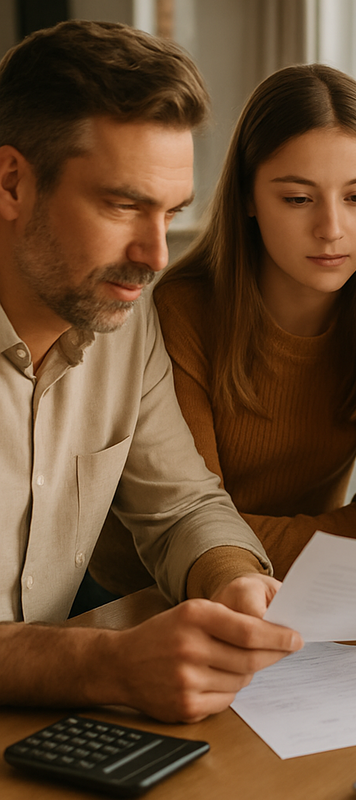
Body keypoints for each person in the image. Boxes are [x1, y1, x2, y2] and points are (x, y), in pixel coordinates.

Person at [0, 19, 301, 724]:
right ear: (11, 181)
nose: (157, 253)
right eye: (124, 204)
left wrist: (232, 584)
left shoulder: (121, 327)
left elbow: (183, 508)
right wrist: (108, 663)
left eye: (170, 213)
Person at [88, 63, 356, 594]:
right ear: (249, 197)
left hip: (303, 589)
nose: (331, 229)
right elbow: (188, 525)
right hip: (144, 593)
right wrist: (352, 540)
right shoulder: (183, 308)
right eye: (298, 199)